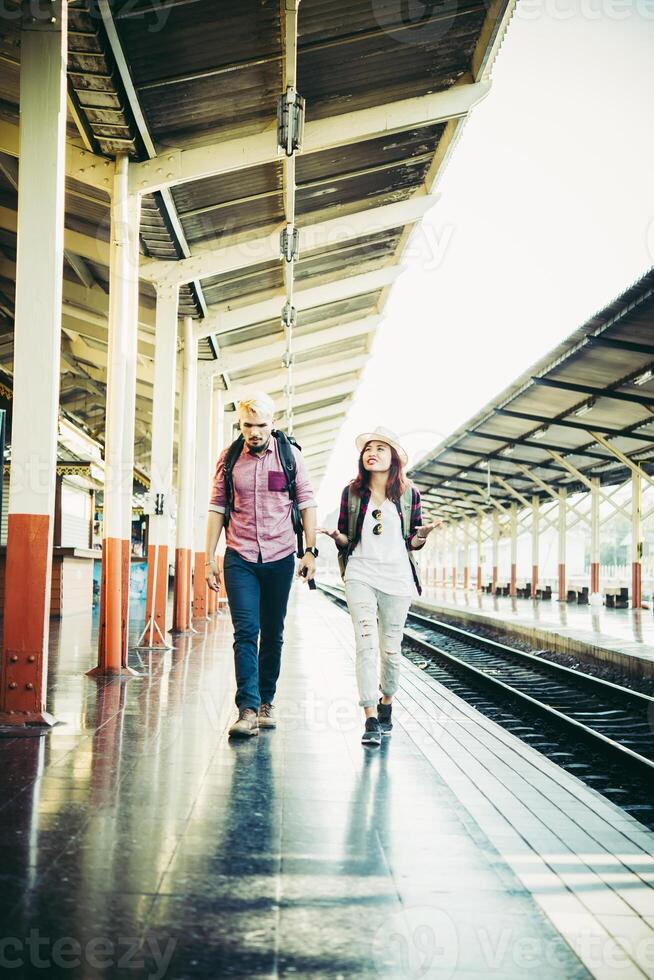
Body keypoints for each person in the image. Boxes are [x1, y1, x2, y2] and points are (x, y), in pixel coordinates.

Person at [205, 393, 317, 738]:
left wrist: (310, 551)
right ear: (240, 423)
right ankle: (247, 709)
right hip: (239, 556)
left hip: (280, 556)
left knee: (273, 632)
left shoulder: (289, 457)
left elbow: (307, 502)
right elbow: (217, 507)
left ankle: (267, 700)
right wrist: (208, 556)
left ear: (274, 423)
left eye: (261, 425)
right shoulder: (229, 459)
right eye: (248, 425)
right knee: (245, 632)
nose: (254, 432)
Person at [319, 427, 438, 746]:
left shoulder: (410, 494)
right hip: (360, 574)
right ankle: (370, 716)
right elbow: (348, 539)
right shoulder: (351, 493)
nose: (372, 452)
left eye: (380, 448)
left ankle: (387, 702)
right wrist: (335, 537)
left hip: (397, 580)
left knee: (391, 651)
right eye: (367, 448)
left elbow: (411, 542)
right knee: (366, 646)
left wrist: (422, 534)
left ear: (394, 458)